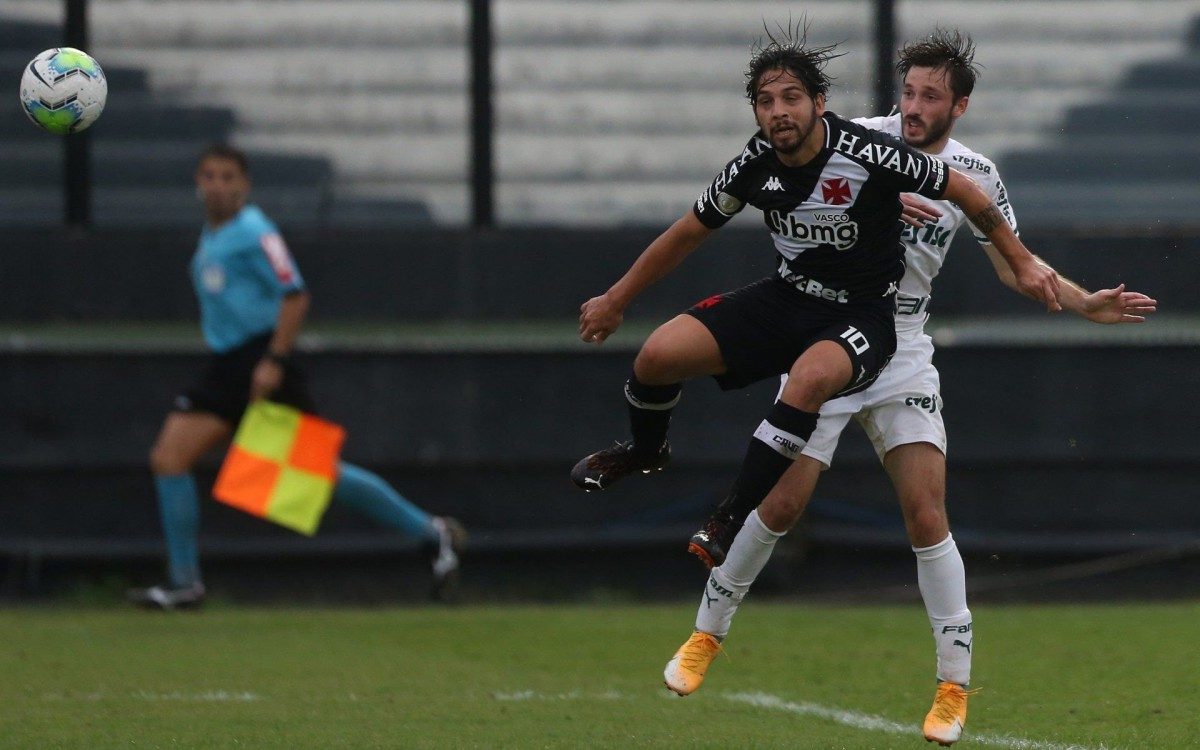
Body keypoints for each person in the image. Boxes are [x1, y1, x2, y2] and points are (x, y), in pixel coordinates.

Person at [667, 30, 1157, 746]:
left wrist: (1085, 304)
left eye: (932, 96)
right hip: (828, 332)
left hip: (901, 349)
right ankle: (707, 633)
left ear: (961, 104)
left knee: (927, 516)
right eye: (909, 92)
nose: (915, 107)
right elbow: (797, 188)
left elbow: (1014, 263)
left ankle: (952, 686)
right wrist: (877, 207)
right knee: (781, 501)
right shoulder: (856, 140)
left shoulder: (975, 174)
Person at [127, 144, 465, 609]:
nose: (219, 185)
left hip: (257, 361)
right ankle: (185, 582)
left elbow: (296, 295)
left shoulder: (254, 230)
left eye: (229, 177)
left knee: (314, 473)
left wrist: (275, 361)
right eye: (210, 176)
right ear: (197, 183)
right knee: (172, 458)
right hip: (228, 366)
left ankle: (431, 532)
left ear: (244, 185)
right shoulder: (214, 233)